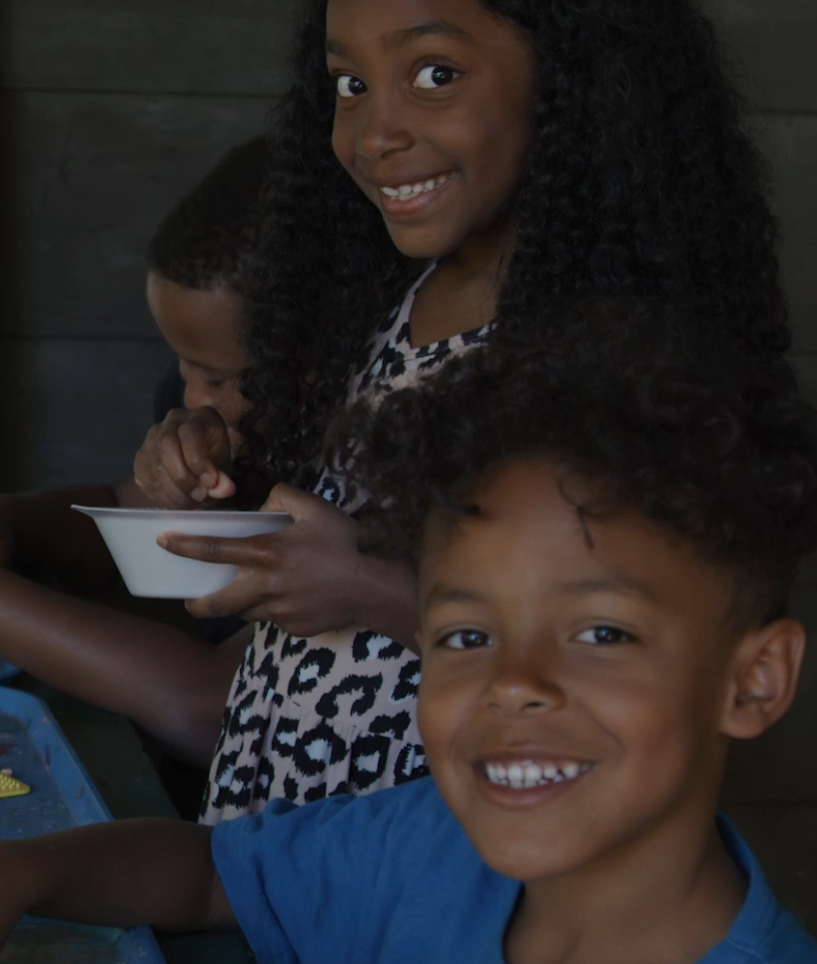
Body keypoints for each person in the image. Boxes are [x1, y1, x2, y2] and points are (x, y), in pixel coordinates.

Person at [0, 305, 816, 963]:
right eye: (464, 635)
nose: (511, 682)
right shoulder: (425, 847)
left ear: (754, 680)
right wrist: (23, 871)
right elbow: (213, 875)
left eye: (600, 633)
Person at [136, 0, 791, 823]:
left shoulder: (618, 359)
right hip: (288, 851)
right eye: (349, 83)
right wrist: (212, 468)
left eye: (435, 74)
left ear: (576, 85)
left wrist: (366, 589)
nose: (374, 135)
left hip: (456, 861)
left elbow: (624, 665)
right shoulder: (390, 293)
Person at [0, 137, 270, 768]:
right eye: (182, 362)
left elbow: (214, 707)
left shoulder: (375, 471)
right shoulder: (207, 414)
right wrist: (11, 518)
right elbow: (134, 512)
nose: (191, 393)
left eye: (221, 378)